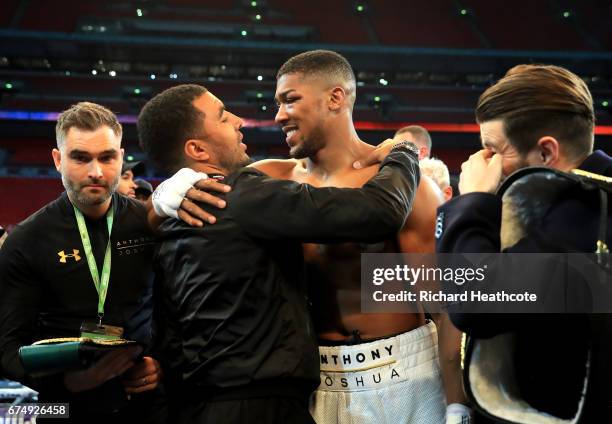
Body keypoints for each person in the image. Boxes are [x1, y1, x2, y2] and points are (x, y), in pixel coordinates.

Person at [159, 50, 469, 423]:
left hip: (403, 372)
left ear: (335, 98)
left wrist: (456, 402)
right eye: (277, 103)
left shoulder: (405, 187)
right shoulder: (269, 179)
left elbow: (442, 306)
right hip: (311, 383)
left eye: (290, 100)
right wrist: (168, 190)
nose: (278, 115)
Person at [435, 64, 612, 422]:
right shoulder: (586, 198)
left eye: (493, 150)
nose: (482, 162)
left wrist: (470, 202)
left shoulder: (581, 215)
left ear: (546, 152)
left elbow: (475, 306)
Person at [0, 102, 164, 423]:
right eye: (80, 157)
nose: (96, 172)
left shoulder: (151, 223)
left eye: (107, 157)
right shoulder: (27, 240)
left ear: (120, 156)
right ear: (58, 160)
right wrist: (66, 381)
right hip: (64, 408)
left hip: (148, 402)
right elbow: (5, 345)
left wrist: (162, 362)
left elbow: (180, 311)